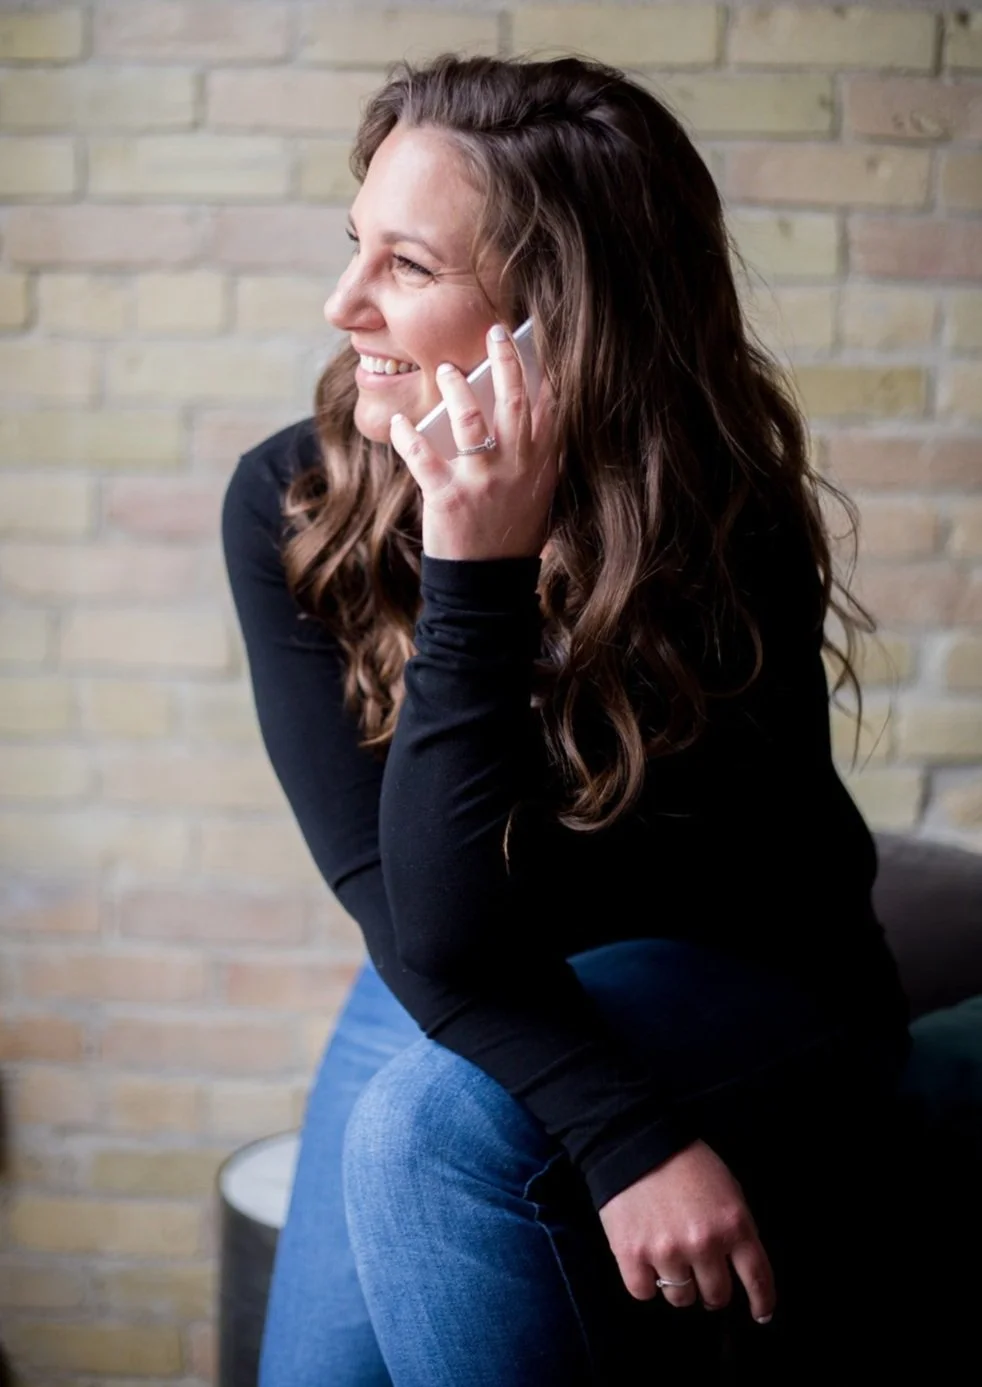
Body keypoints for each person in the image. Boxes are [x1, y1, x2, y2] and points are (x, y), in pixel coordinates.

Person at [221, 52, 921, 1387]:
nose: (341, 302)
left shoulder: (711, 513)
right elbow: (414, 914)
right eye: (351, 244)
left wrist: (623, 1128)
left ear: (551, 311)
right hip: (465, 955)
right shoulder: (289, 500)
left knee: (429, 1129)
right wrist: (467, 557)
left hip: (736, 963)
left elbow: (683, 896)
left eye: (406, 266)